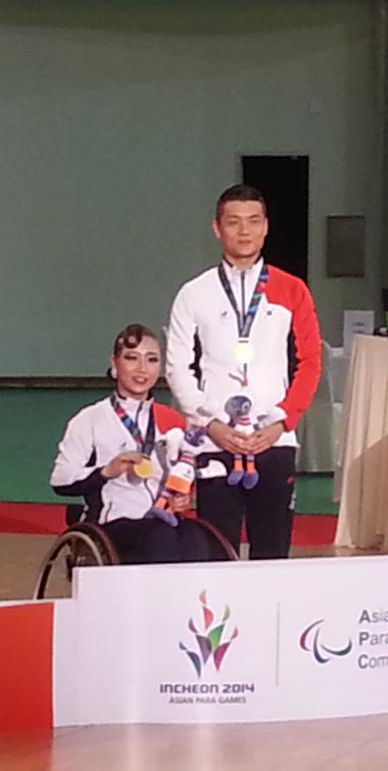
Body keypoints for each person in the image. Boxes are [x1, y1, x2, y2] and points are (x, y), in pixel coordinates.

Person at [165, 185, 321, 559]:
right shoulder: (194, 293)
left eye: (253, 222)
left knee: (273, 552)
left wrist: (281, 422)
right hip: (215, 439)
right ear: (217, 229)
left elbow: (311, 361)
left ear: (266, 227)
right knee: (217, 552)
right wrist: (211, 423)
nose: (244, 231)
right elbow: (177, 367)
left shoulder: (292, 289)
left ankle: (269, 620)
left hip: (274, 439)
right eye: (233, 222)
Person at [50, 324, 216, 563]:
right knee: (158, 537)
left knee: (196, 538)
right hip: (113, 526)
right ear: (115, 363)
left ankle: (187, 601)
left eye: (151, 360)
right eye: (131, 358)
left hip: (164, 521)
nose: (142, 369)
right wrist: (107, 471)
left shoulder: (171, 419)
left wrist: (183, 496)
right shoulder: (90, 420)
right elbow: (60, 480)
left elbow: (184, 473)